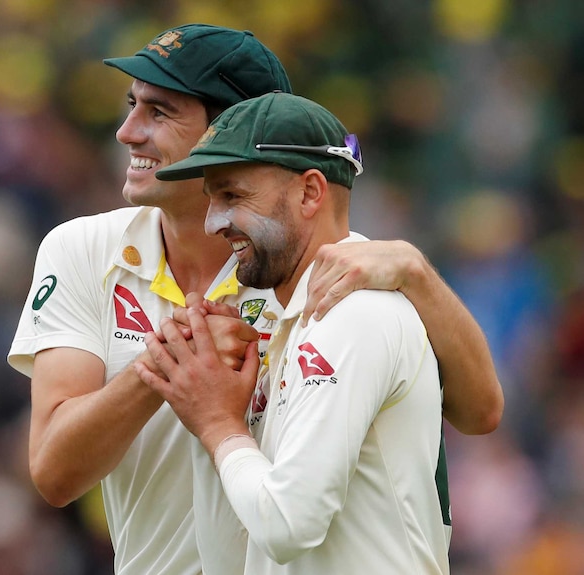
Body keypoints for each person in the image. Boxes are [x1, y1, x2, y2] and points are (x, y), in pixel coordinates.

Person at [8, 24, 502, 575]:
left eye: (160, 112)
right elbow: (55, 473)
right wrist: (169, 364)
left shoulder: (333, 270)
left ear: (232, 128)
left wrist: (419, 274)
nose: (127, 132)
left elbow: (480, 411)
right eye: (132, 106)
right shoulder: (81, 248)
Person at [140, 91, 452, 573]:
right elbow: (234, 555)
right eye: (210, 198)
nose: (213, 222)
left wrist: (218, 424)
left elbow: (289, 525)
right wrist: (219, 408)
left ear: (310, 193)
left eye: (233, 196)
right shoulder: (278, 319)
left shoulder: (355, 315)